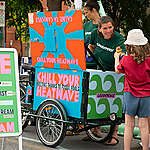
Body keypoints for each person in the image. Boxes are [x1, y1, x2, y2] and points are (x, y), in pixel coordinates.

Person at [88, 16, 126, 145]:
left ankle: (114, 135)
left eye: (110, 27)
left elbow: (122, 58)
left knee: (115, 103)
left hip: (116, 73)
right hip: (100, 70)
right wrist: (95, 57)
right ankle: (94, 131)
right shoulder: (95, 34)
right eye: (105, 28)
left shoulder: (119, 38)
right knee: (96, 99)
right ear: (99, 29)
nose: (108, 30)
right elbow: (91, 46)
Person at [114, 29, 150, 150]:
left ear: (129, 46)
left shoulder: (125, 60)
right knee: (144, 126)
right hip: (146, 96)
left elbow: (117, 70)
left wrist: (116, 58)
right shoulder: (149, 60)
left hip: (130, 95)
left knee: (129, 125)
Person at [83, 0, 101, 69]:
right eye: (84, 13)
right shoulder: (85, 26)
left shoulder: (106, 25)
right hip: (87, 63)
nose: (85, 15)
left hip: (99, 64)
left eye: (87, 12)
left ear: (94, 10)